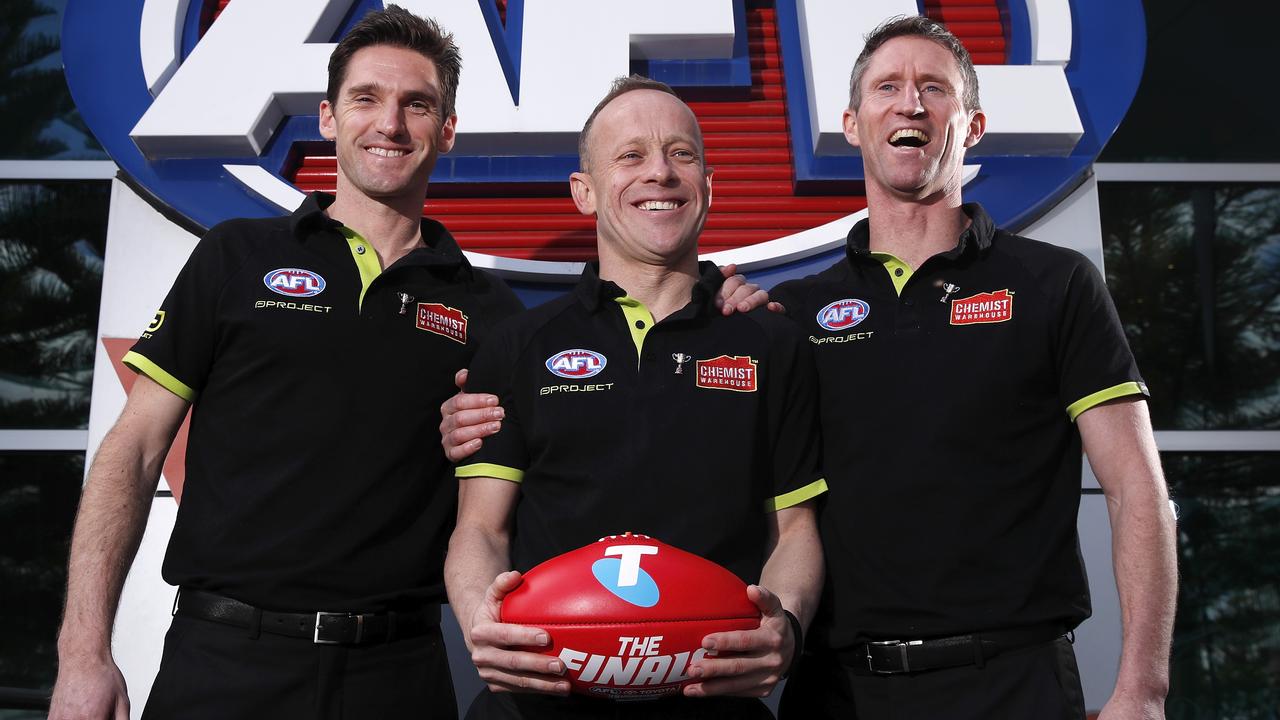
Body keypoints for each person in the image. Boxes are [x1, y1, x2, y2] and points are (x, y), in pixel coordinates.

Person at [442, 16, 1177, 720]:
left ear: (973, 125)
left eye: (935, 87)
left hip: (1009, 678)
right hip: (838, 691)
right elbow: (488, 522)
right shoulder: (791, 316)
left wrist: (1142, 689)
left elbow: (1136, 489)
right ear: (853, 125)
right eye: (886, 86)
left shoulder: (1051, 285)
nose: (910, 102)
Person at [47, 8, 768, 719]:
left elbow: (580, 454)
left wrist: (716, 302)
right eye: (367, 99)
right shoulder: (237, 256)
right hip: (225, 659)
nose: (390, 124)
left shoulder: (491, 314)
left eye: (416, 104)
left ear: (445, 131)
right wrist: (84, 653)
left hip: (398, 675)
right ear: (328, 118)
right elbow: (134, 452)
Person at [443, 76, 827, 719]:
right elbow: (481, 526)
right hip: (542, 701)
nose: (661, 173)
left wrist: (782, 628)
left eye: (681, 154)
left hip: (711, 699)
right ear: (584, 192)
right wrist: (487, 623)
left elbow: (796, 531)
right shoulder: (517, 343)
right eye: (630, 156)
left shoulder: (772, 342)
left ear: (709, 185)